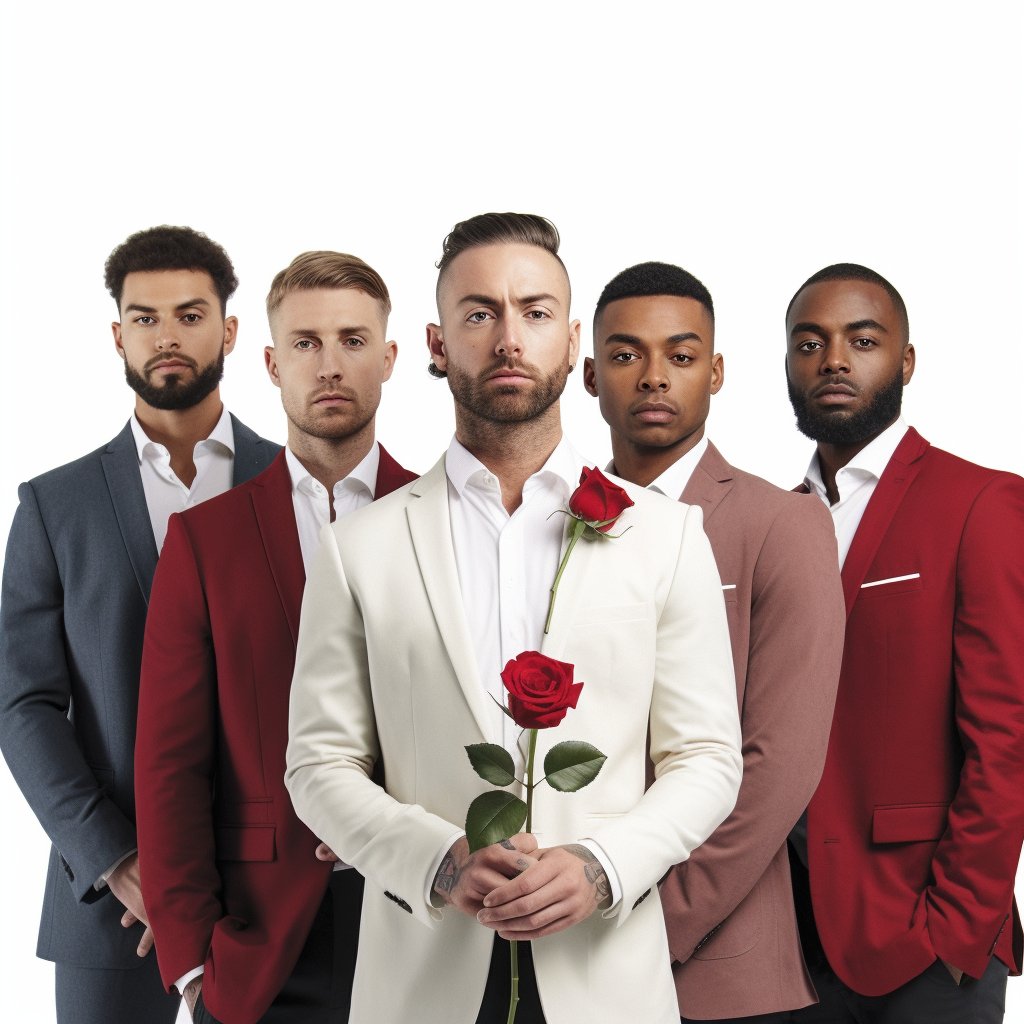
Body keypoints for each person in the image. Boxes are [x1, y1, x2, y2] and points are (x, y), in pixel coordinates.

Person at [283, 213, 743, 1024]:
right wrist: (438, 861)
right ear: (435, 343)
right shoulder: (357, 547)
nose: (507, 338)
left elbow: (706, 755)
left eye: (533, 313)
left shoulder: (666, 536)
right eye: (478, 313)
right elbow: (318, 765)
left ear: (571, 344)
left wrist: (603, 864)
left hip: (605, 977)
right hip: (419, 980)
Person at [0, 225, 280, 1024]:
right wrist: (116, 859)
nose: (168, 337)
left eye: (190, 315)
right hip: (108, 906)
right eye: (145, 317)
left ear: (228, 331)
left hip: (274, 890)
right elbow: (22, 704)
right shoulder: (55, 507)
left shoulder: (294, 484)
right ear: (117, 335)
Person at [134, 250, 417, 1024]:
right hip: (264, 939)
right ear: (268, 360)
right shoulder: (204, 540)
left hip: (426, 917)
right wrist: (192, 963)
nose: (329, 365)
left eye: (354, 341)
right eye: (305, 343)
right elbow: (169, 763)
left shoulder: (444, 519)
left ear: (389, 358)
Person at [582, 260, 846, 1021]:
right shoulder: (553, 523)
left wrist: (653, 921)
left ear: (717, 372)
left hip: (714, 965)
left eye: (682, 355)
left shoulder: (783, 526)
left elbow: (778, 769)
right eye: (627, 356)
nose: (655, 377)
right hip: (562, 949)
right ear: (592, 375)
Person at [784, 263, 1024, 1023]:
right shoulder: (772, 520)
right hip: (788, 941)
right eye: (810, 342)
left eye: (862, 340)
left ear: (906, 362)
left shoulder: (979, 501)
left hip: (924, 936)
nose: (834, 360)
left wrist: (955, 928)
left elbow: (1007, 739)